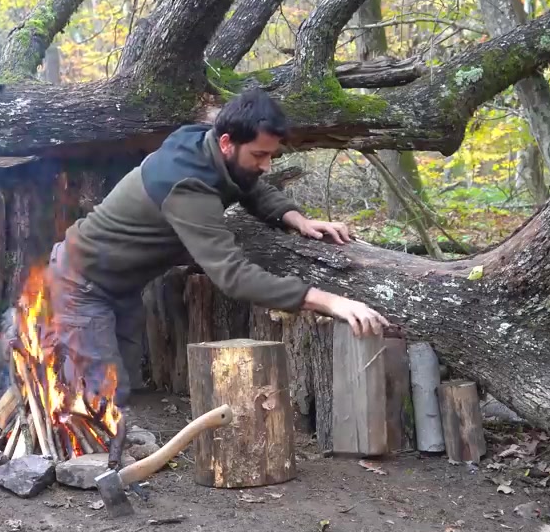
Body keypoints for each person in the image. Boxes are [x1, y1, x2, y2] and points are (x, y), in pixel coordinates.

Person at [46, 88, 391, 407]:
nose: (267, 165)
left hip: (120, 285)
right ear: (227, 143)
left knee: (129, 388)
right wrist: (330, 301)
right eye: (259, 154)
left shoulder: (203, 143)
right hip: (81, 284)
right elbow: (234, 277)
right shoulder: (187, 187)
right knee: (100, 401)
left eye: (271, 155)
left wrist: (295, 218)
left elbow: (249, 184)